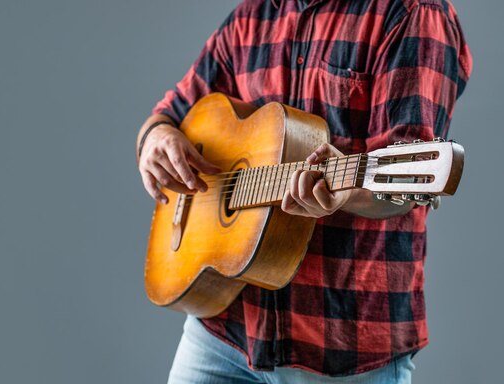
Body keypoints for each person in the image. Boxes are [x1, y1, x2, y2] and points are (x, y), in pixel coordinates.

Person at [136, 0, 472, 383]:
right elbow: (171, 112)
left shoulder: (411, 14)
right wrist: (154, 137)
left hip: (340, 345)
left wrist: (345, 194)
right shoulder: (254, 14)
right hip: (224, 329)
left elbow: (400, 187)